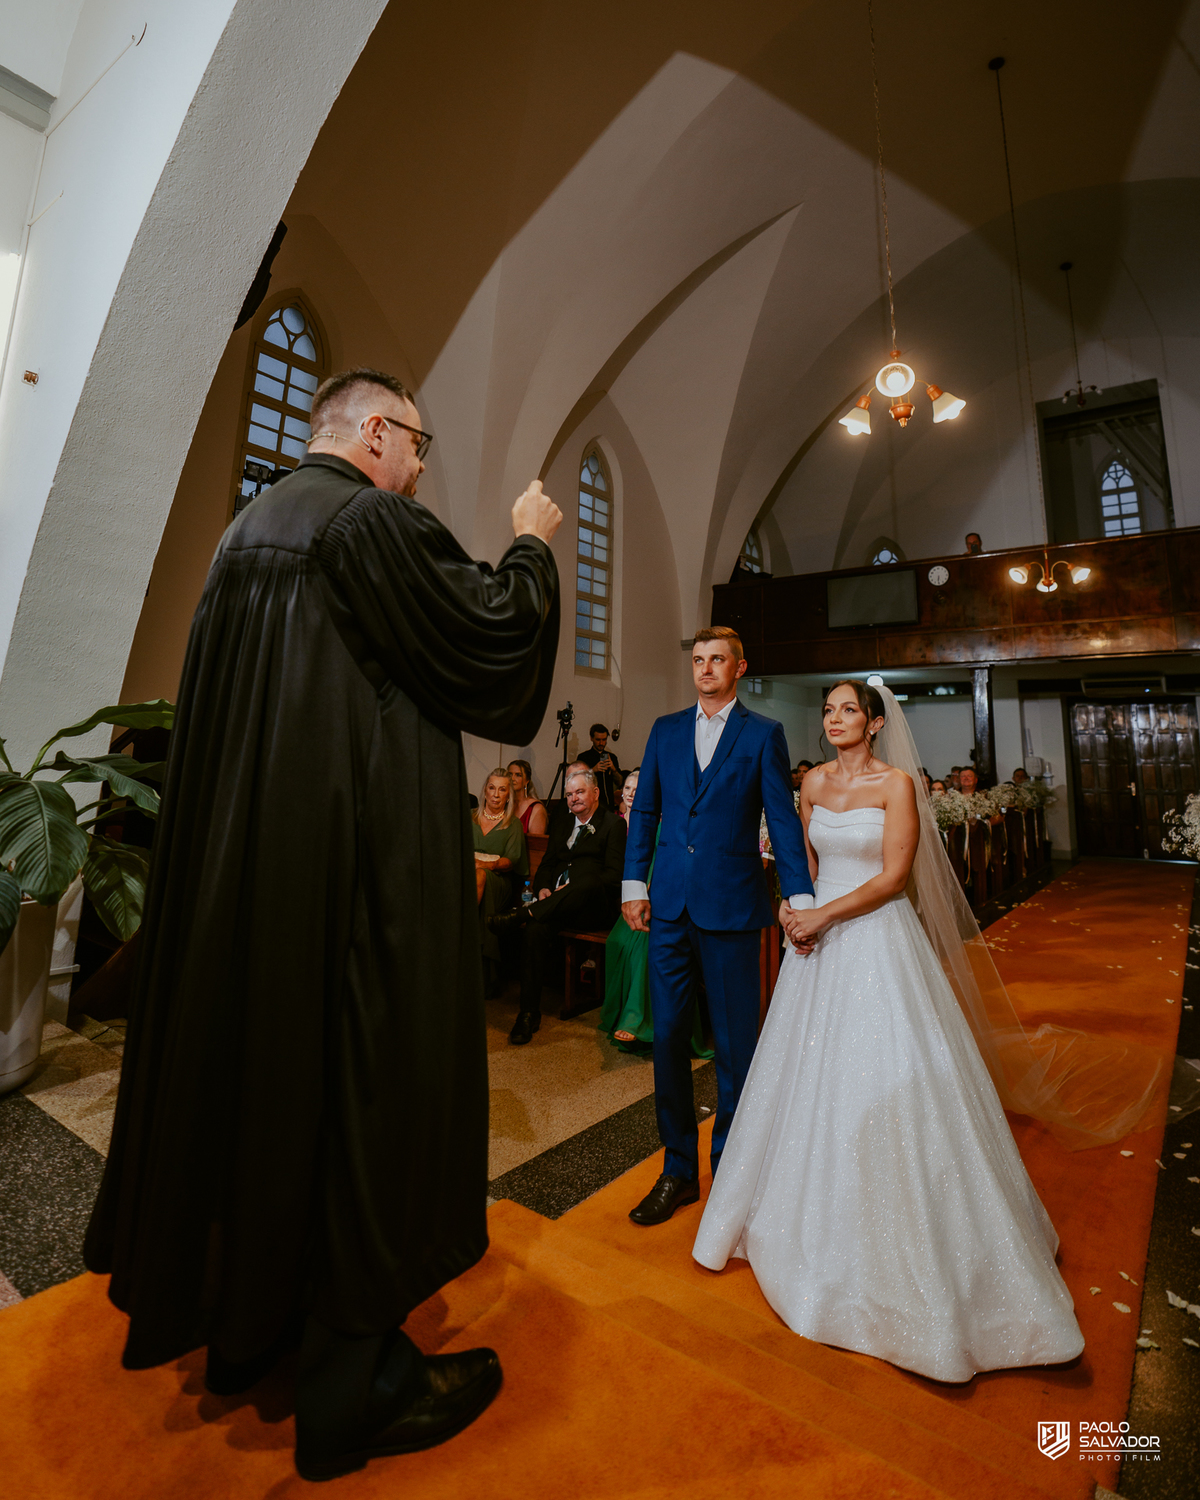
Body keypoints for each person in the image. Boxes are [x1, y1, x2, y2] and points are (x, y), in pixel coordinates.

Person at [84, 367, 562, 1481]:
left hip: (246, 890)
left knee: (262, 1094)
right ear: (380, 434)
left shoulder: (246, 532)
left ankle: (256, 1325)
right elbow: (495, 647)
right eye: (421, 445)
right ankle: (357, 1385)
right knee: (364, 1093)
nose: (423, 467)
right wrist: (534, 545)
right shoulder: (366, 521)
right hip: (354, 887)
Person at [692, 680, 1090, 1382]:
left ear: (874, 723)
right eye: (828, 711)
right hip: (815, 947)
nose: (835, 720)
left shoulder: (897, 784)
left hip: (874, 939)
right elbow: (803, 862)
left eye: (848, 710)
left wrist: (825, 916)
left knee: (887, 1075)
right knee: (803, 1078)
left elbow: (894, 877)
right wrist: (796, 906)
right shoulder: (810, 782)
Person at [621, 627, 813, 1227]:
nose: (705, 669)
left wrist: (801, 897)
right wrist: (634, 882)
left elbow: (781, 818)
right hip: (670, 904)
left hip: (733, 906)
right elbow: (646, 809)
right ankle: (678, 1169)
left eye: (717, 660)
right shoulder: (665, 730)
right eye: (698, 660)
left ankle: (730, 1169)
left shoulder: (763, 735)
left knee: (736, 1048)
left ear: (739, 667)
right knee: (670, 1038)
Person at [492, 768, 626, 1044]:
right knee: (534, 931)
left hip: (593, 907)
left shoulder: (613, 825)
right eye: (568, 795)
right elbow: (548, 864)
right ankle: (528, 1014)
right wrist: (543, 887)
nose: (573, 798)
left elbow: (613, 878)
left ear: (596, 793)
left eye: (579, 792)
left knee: (586, 878)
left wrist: (573, 887)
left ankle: (523, 913)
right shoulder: (563, 823)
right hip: (555, 905)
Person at [600, 769, 711, 1057]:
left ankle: (637, 1020)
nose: (632, 792)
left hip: (664, 900)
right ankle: (619, 1014)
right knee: (618, 942)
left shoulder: (664, 823)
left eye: (639, 788)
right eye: (628, 787)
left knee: (646, 944)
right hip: (636, 900)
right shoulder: (616, 823)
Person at [473, 769, 529, 990]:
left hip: (499, 881)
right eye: (492, 788)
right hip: (466, 878)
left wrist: (485, 865)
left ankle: (461, 927)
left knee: (480, 875)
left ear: (509, 795)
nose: (496, 794)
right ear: (485, 791)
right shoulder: (469, 817)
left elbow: (511, 861)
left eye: (502, 789)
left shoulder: (512, 824)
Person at [579, 723, 623, 809]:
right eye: (598, 740)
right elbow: (579, 781)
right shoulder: (583, 757)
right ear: (591, 738)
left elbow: (620, 782)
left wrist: (614, 769)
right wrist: (593, 770)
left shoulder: (612, 757)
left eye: (604, 740)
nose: (601, 743)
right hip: (591, 804)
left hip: (609, 805)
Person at [507, 759, 547, 837]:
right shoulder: (504, 803)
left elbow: (536, 844)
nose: (512, 778)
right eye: (510, 774)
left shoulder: (536, 808)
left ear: (527, 780)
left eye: (518, 775)